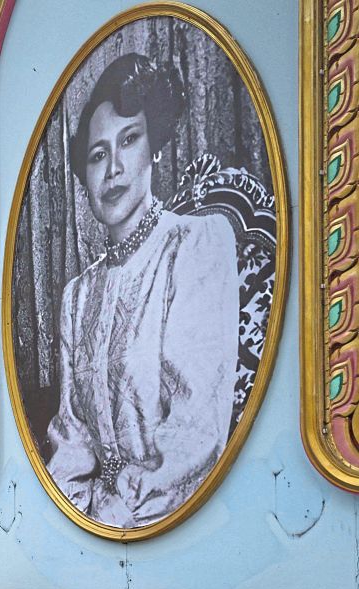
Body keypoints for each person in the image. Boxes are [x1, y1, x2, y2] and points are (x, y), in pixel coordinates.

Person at [45, 53, 239, 529]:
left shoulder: (196, 245)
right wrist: (74, 518)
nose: (112, 168)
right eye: (97, 155)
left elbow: (196, 435)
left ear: (154, 148)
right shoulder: (76, 297)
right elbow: (71, 443)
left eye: (128, 140)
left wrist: (115, 517)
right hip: (96, 522)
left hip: (177, 520)